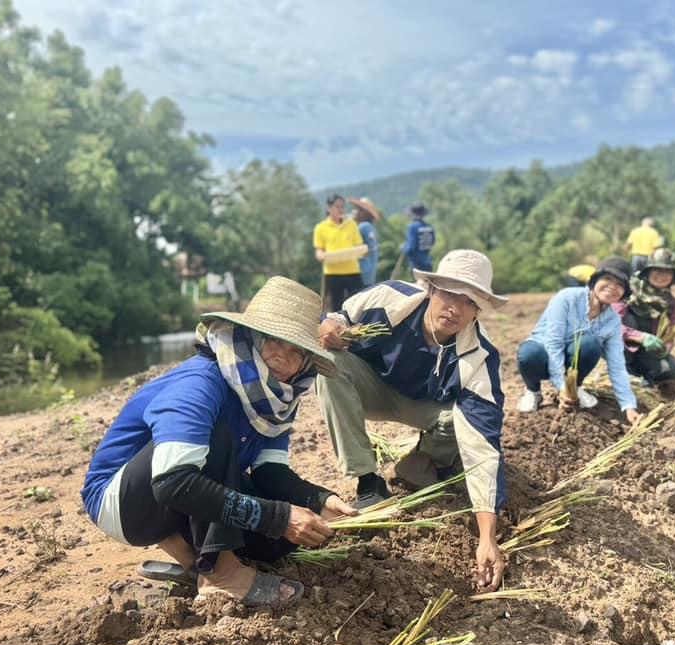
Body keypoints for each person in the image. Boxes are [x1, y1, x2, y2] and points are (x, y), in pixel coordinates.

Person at [80, 278, 357, 607]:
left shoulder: (278, 400)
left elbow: (270, 472)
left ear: (306, 364)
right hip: (125, 501)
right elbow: (172, 482)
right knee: (217, 438)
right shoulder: (202, 383)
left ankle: (191, 558)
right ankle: (219, 573)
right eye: (273, 341)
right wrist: (278, 517)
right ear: (251, 338)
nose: (283, 355)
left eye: (296, 350)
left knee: (275, 546)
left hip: (183, 490)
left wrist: (318, 500)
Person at [316, 250, 509, 591]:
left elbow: (483, 442)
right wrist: (331, 327)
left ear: (478, 310)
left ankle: (420, 463)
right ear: (431, 289)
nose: (455, 308)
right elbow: (337, 316)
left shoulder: (479, 357)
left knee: (459, 423)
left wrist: (487, 538)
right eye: (449, 294)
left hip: (427, 408)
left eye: (468, 302)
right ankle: (367, 481)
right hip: (372, 387)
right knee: (330, 364)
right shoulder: (390, 299)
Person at [515, 257, 642, 423]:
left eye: (620, 285)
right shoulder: (567, 298)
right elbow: (554, 342)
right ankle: (533, 392)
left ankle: (576, 387)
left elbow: (617, 365)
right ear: (595, 280)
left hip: (570, 364)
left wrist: (628, 406)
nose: (612, 287)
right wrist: (561, 386)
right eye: (608, 279)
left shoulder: (613, 321)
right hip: (543, 355)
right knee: (528, 353)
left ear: (624, 293)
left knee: (590, 344)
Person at [613, 248, 675, 385]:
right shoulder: (629, 291)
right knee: (629, 320)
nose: (661, 275)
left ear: (673, 277)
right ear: (648, 272)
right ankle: (623, 371)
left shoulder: (670, 303)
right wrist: (640, 337)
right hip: (622, 345)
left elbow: (669, 332)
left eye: (667, 272)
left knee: (672, 369)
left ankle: (643, 375)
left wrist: (664, 349)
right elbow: (612, 324)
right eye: (657, 270)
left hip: (645, 350)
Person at [314, 194, 366, 312]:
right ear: (329, 208)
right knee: (336, 307)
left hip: (352, 271)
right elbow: (319, 249)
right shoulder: (321, 228)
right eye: (337, 207)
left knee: (359, 303)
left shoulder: (351, 224)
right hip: (332, 273)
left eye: (342, 207)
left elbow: (358, 244)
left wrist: (362, 251)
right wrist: (320, 255)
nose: (341, 209)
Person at [350, 197, 382, 287]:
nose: (355, 211)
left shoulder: (362, 227)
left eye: (359, 210)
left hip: (360, 273)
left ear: (366, 214)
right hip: (370, 274)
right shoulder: (371, 227)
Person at [403, 202, 436, 276]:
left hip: (417, 265)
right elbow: (433, 242)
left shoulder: (413, 227)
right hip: (428, 263)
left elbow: (411, 249)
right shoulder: (429, 227)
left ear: (413, 214)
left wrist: (403, 247)